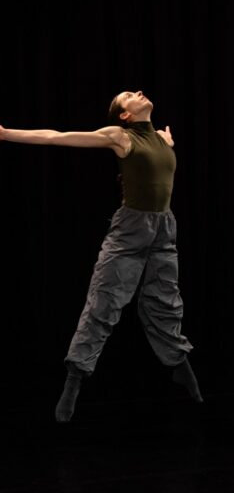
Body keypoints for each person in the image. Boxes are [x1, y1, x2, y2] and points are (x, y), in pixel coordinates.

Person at [0, 91, 203, 421]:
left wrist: (166, 139)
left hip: (164, 229)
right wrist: (7, 134)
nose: (137, 93)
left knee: (165, 302)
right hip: (130, 233)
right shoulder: (120, 136)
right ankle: (75, 379)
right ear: (124, 115)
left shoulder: (162, 139)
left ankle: (180, 366)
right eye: (128, 96)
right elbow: (57, 137)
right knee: (103, 303)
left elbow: (161, 156)